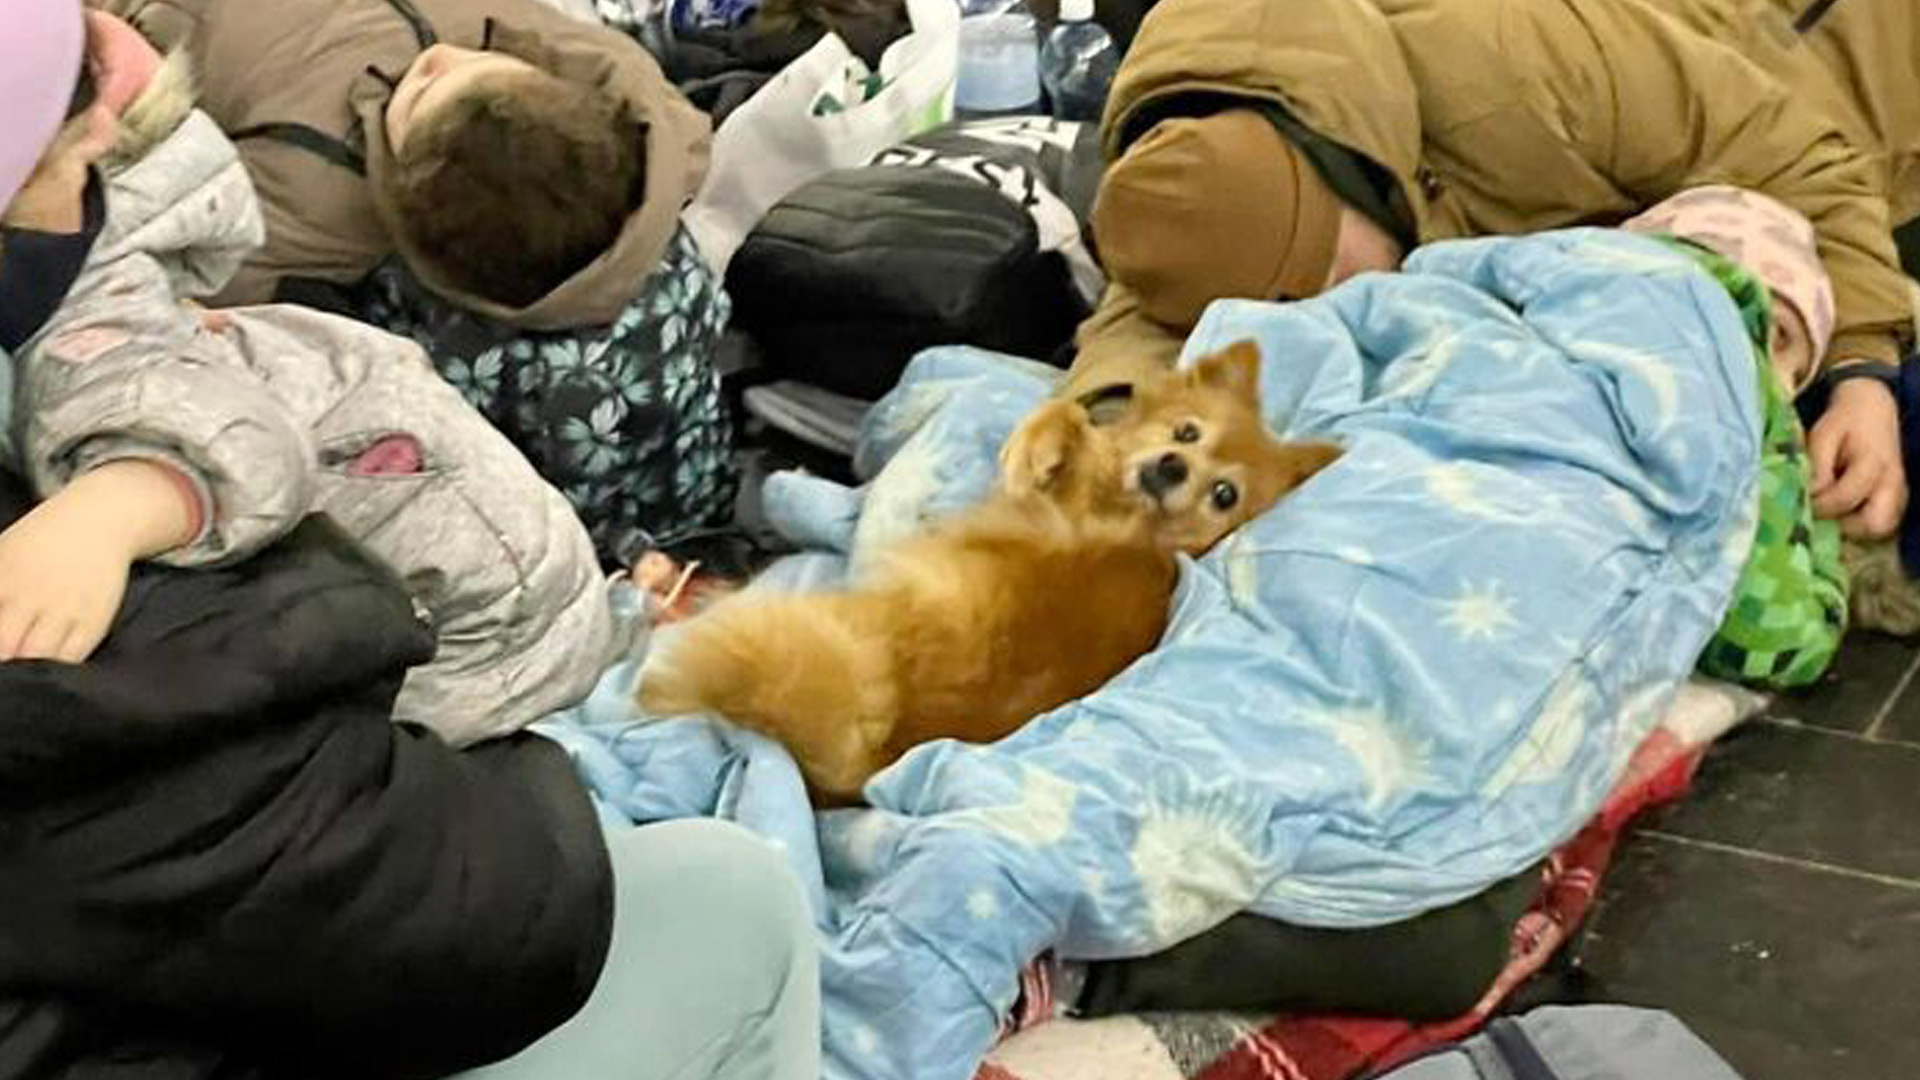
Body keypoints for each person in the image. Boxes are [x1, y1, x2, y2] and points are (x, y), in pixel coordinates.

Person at [0, 9, 819, 1079]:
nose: (99, 144)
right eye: (66, 151)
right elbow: (452, 913)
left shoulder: (300, 216)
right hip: (469, 691)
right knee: (740, 901)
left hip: (478, 640)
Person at [1070, 0, 1911, 543]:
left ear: (1348, 175)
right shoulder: (1198, 156)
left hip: (1829, 72)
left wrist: (1862, 370)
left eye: (1333, 274)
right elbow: (1142, 323)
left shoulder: (1524, 69)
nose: (1339, 310)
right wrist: (1106, 452)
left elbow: (1806, 158)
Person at [0, 7, 612, 744]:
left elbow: (234, 441)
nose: (97, 136)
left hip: (480, 614)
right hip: (438, 495)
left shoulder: (87, 313)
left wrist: (105, 515)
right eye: (64, 153)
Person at [97, 0, 737, 567]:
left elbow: (205, 277)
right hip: (639, 462)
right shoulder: (318, 186)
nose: (437, 59)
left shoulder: (607, 82)